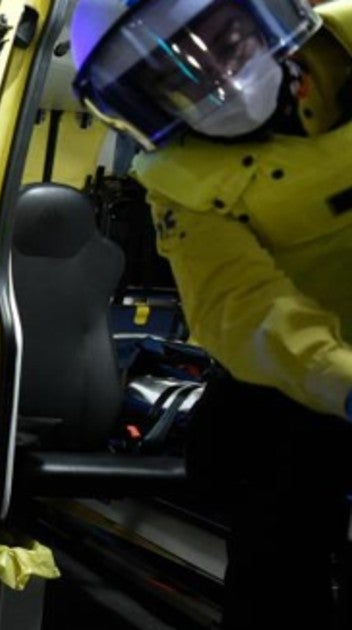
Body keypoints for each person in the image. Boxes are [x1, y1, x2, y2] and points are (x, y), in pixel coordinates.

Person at [71, 1, 352, 627]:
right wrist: (342, 380)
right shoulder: (178, 176)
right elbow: (239, 305)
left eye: (226, 41)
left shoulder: (344, 39)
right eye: (178, 76)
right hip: (300, 375)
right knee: (276, 534)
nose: (222, 80)